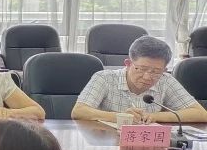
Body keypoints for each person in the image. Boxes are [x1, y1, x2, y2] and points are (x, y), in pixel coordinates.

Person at [71, 35, 207, 123]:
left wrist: (153, 116)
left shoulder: (166, 80)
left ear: (164, 70)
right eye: (141, 69)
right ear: (128, 63)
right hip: (108, 143)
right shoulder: (104, 78)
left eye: (156, 72)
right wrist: (119, 117)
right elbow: (79, 111)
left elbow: (201, 114)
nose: (147, 77)